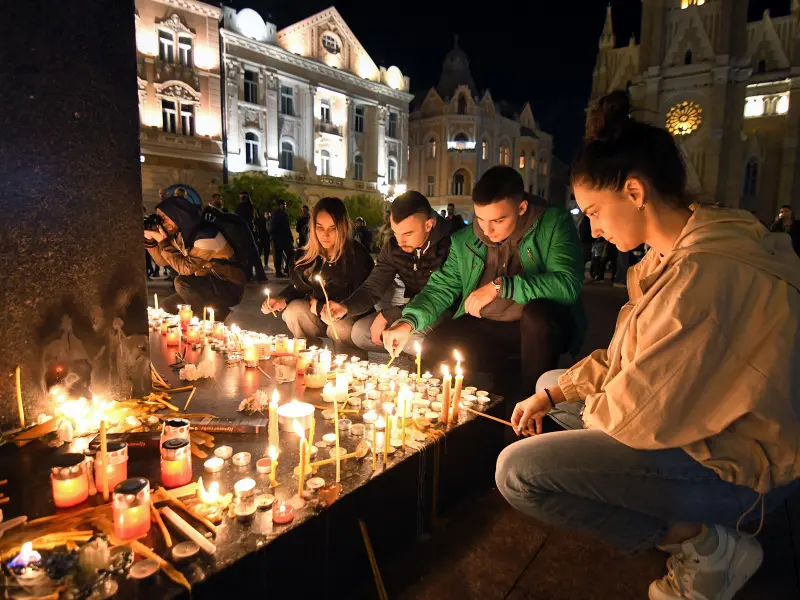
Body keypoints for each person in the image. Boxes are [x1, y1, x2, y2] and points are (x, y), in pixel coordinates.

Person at [495, 90, 800, 600]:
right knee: (551, 387)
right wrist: (553, 398)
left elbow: (635, 414)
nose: (591, 228)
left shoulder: (700, 277)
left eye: (594, 211)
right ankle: (692, 529)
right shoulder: (679, 250)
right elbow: (621, 363)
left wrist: (578, 421)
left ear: (635, 192)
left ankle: (704, 545)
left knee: (520, 472)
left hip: (743, 467)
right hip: (706, 425)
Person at [383, 166, 585, 399]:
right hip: (488, 324)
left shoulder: (553, 223)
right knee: (436, 344)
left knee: (537, 317)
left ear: (521, 208)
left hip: (537, 328)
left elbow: (567, 285)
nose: (487, 230)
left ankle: (532, 404)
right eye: (480, 218)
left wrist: (501, 286)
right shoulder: (465, 240)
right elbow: (441, 288)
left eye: (498, 220)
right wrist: (408, 322)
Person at [322, 191, 455, 354]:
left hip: (447, 310)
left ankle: (427, 369)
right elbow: (372, 288)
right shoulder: (394, 248)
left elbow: (444, 296)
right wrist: (345, 307)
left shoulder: (451, 244)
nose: (400, 242)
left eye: (407, 234)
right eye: (396, 232)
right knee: (360, 333)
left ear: (428, 225)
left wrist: (391, 314)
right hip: (411, 308)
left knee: (412, 339)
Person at [261, 197, 374, 353]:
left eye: (332, 228)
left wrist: (320, 306)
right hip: (318, 313)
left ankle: (348, 369)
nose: (325, 235)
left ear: (343, 227)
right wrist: (282, 299)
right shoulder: (307, 256)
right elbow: (300, 287)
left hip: (348, 316)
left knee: (340, 327)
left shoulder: (357, 256)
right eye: (320, 227)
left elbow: (362, 296)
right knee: (294, 311)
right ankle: (309, 359)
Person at [144, 195, 245, 322]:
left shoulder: (207, 236)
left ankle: (203, 320)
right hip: (204, 284)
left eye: (164, 218)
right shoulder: (179, 234)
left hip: (228, 287)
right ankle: (219, 312)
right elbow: (162, 261)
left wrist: (163, 242)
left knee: (181, 282)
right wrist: (150, 241)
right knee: (167, 307)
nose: (161, 223)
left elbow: (186, 269)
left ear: (178, 215)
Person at [271, 199, 294, 277]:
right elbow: (275, 227)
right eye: (284, 204)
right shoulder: (278, 214)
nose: (285, 206)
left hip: (282, 238)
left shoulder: (281, 214)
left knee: (288, 254)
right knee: (281, 255)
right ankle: (280, 271)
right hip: (281, 238)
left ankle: (285, 269)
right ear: (281, 205)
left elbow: (287, 227)